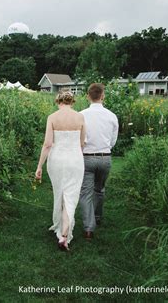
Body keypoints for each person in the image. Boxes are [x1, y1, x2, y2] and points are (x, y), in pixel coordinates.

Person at [35, 89, 85, 251]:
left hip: (57, 160)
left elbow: (48, 144)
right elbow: (82, 143)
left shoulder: (52, 117)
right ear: (72, 102)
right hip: (75, 159)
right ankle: (64, 235)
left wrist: (39, 166)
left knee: (61, 193)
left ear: (58, 102)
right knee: (71, 195)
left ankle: (62, 231)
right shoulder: (80, 117)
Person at [79, 83, 119, 240]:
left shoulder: (81, 115)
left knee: (85, 193)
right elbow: (113, 141)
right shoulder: (112, 116)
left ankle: (89, 228)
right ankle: (97, 217)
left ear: (88, 96)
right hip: (105, 157)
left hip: (87, 157)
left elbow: (79, 138)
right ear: (102, 96)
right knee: (99, 189)